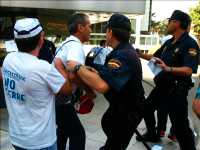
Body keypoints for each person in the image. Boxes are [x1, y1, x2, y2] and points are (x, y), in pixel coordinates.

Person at [67, 13, 145, 150]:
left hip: (128, 112)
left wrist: (77, 67)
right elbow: (107, 75)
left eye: (106, 30)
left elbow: (101, 86)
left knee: (114, 143)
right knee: (109, 124)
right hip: (121, 107)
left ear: (110, 32)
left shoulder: (123, 55)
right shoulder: (121, 51)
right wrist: (94, 71)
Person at [1, 18, 73, 150]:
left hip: (17, 137)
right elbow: (67, 90)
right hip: (40, 142)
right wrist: (60, 66)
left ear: (16, 40)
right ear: (41, 38)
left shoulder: (8, 60)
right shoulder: (43, 68)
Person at [136, 10, 199, 150]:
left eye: (169, 21)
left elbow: (189, 70)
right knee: (146, 108)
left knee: (180, 127)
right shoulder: (170, 42)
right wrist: (138, 54)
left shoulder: (190, 44)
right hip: (162, 88)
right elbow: (156, 57)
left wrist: (168, 69)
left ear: (176, 23)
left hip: (176, 91)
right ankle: (152, 133)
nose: (167, 24)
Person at [54, 13, 93, 150]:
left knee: (63, 132)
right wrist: (89, 91)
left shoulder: (66, 43)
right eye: (89, 26)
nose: (91, 30)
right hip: (63, 99)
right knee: (78, 135)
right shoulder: (76, 46)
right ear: (80, 27)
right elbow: (72, 75)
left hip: (57, 97)